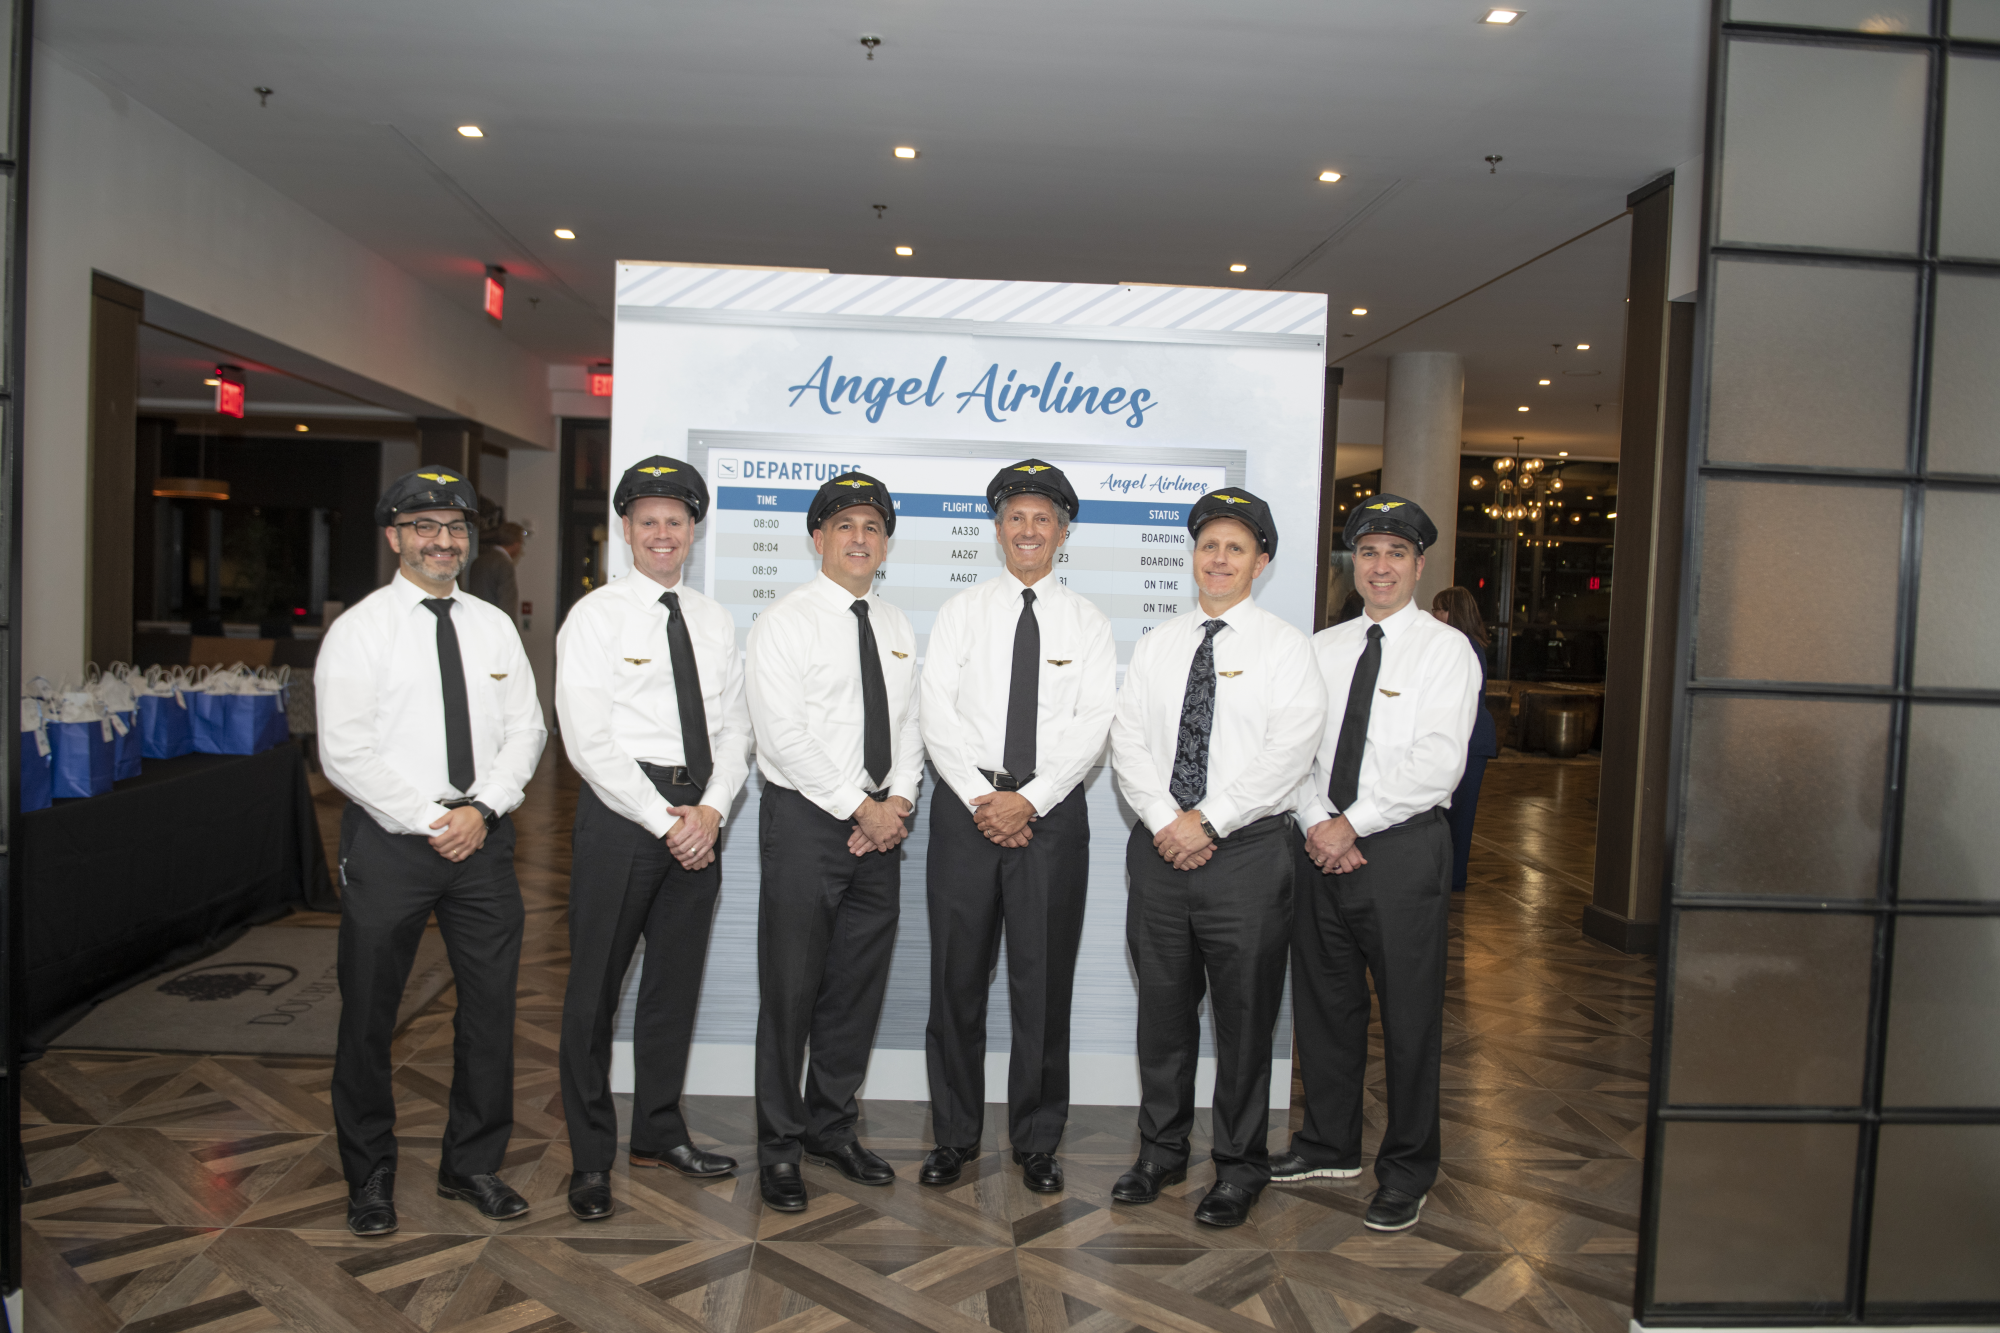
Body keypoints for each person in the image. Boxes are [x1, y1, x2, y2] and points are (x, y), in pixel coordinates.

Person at [316, 468, 547, 1237]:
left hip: (482, 843)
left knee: (490, 1012)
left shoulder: (493, 626)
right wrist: (432, 818)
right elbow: (344, 751)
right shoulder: (361, 630)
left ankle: (471, 1164)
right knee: (369, 1015)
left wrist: (482, 809)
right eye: (425, 526)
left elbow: (527, 729)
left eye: (455, 527)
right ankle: (369, 1175)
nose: (442, 540)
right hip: (392, 844)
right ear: (395, 536)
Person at [1106, 488, 1326, 1229]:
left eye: (1236, 547)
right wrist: (1167, 822)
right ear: (1193, 556)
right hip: (1160, 849)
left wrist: (1207, 821)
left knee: (1245, 1020)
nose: (1220, 559)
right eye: (1209, 545)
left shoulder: (1286, 648)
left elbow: (1289, 753)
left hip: (1248, 855)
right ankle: (1161, 1152)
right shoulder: (1159, 644)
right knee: (1162, 1015)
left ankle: (1238, 1165)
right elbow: (1128, 742)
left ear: (1260, 563)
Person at [1271, 495, 1480, 1233]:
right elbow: (1292, 749)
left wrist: (1349, 824)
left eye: (1396, 553)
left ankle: (1408, 1169)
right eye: (1368, 553)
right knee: (1325, 1006)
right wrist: (1317, 822)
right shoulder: (1321, 648)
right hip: (1317, 846)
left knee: (1411, 1017)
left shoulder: (1446, 651)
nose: (1381, 566)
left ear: (1419, 566)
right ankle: (1329, 1144)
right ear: (1352, 564)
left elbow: (1438, 763)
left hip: (1400, 849)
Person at [554, 456, 753, 1221]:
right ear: (627, 529)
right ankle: (590, 1157)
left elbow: (735, 727)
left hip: (698, 817)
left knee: (674, 986)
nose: (662, 533)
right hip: (623, 814)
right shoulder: (595, 617)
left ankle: (658, 1132)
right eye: (648, 521)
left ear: (692, 530)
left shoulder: (712, 618)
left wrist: (712, 810)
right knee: (594, 993)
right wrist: (664, 817)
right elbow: (588, 740)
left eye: (675, 520)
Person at [917, 460, 1116, 1194]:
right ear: (998, 529)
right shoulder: (960, 612)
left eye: (1042, 519)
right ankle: (954, 1136)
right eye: (1015, 517)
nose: (1028, 530)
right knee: (956, 982)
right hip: (966, 811)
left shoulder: (1088, 622)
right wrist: (984, 798)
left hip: (1051, 819)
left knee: (1042, 984)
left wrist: (1029, 800)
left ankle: (1037, 1140)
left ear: (1062, 533)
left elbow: (1092, 723)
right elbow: (935, 713)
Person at [745, 471, 924, 1212]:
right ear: (817, 537)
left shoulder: (895, 623)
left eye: (872, 527)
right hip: (808, 824)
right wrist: (860, 808)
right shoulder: (783, 621)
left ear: (885, 544)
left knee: (855, 988)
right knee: (791, 991)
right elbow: (782, 736)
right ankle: (779, 1146)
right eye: (845, 525)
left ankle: (831, 1126)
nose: (859, 538)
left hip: (881, 827)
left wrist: (898, 801)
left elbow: (908, 724)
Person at [1431, 586, 1499, 893]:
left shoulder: (1463, 645)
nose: (1434, 614)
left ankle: (1453, 879)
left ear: (1454, 612)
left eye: (1439, 609)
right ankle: (1450, 877)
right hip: (1468, 736)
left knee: (1458, 815)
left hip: (1470, 738)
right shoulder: (1462, 643)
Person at [466, 521, 525, 626]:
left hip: (474, 622)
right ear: (516, 543)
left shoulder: (478, 561)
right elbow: (507, 605)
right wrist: (511, 631)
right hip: (495, 626)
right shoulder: (504, 564)